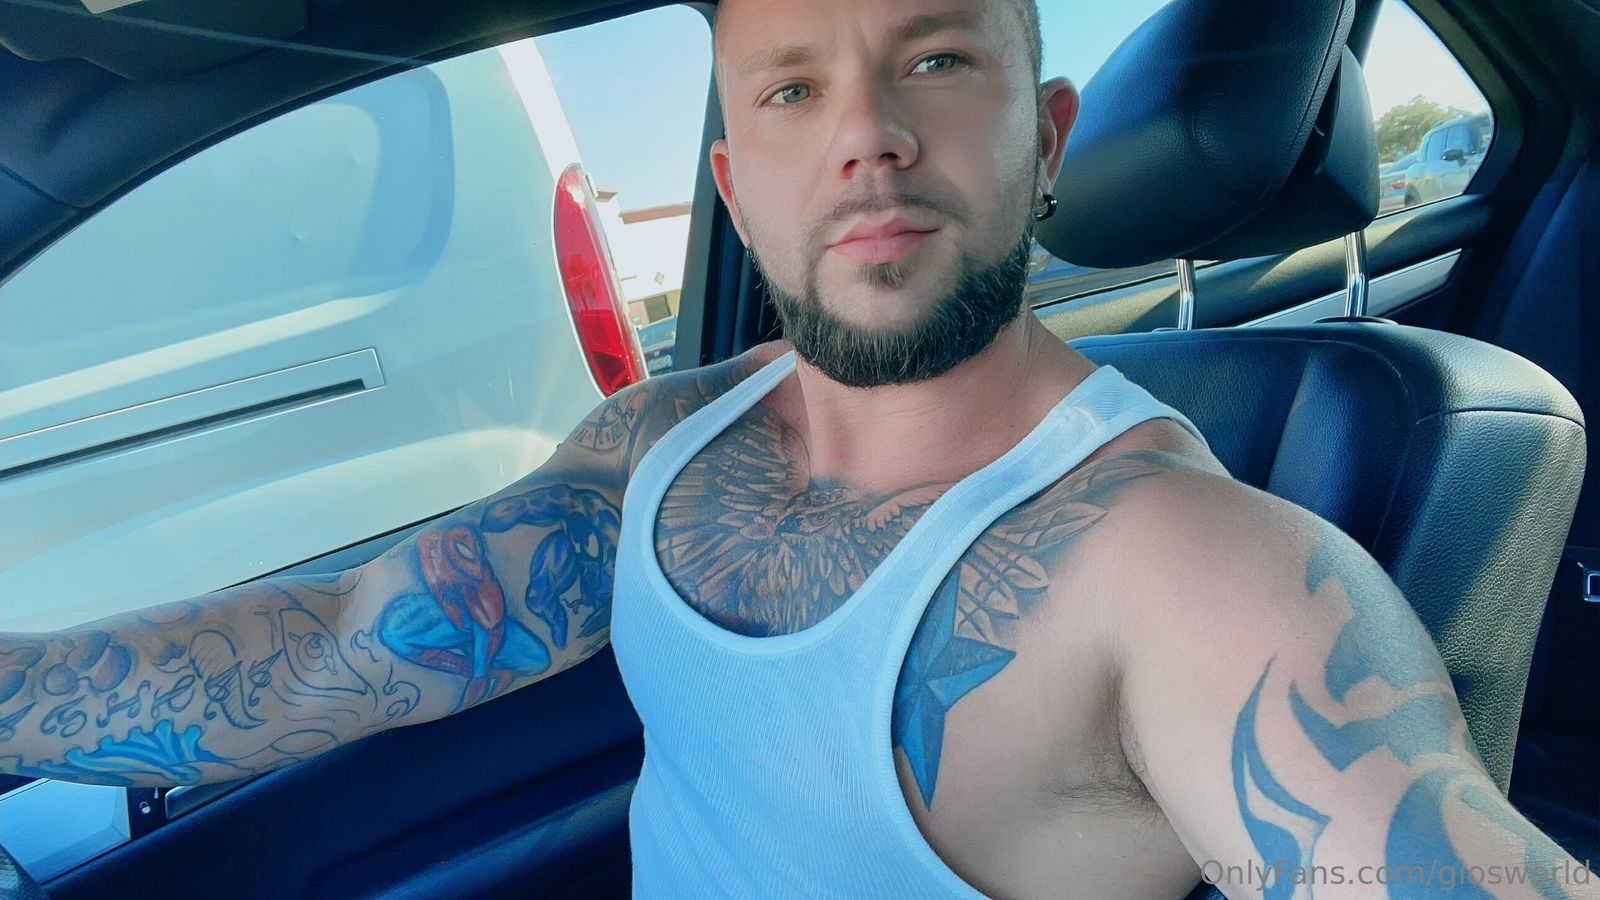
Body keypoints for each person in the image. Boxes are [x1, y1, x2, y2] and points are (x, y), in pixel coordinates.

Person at [2, 0, 1592, 896]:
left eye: (937, 61)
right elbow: (346, 646)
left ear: (1046, 138)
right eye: (789, 89)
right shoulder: (660, 440)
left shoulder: (1188, 567)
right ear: (734, 186)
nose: (867, 134)